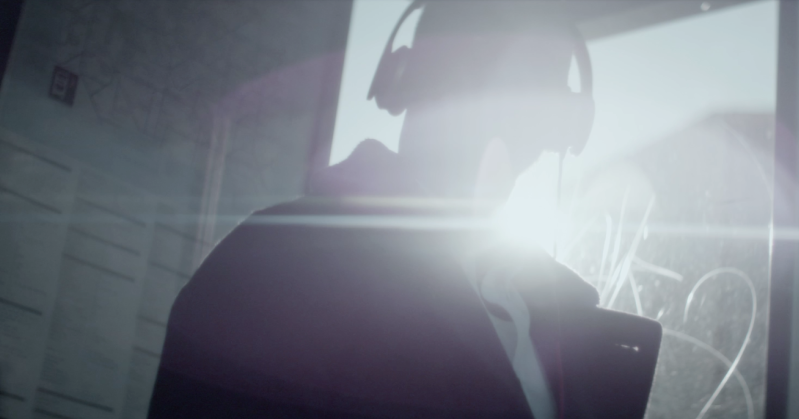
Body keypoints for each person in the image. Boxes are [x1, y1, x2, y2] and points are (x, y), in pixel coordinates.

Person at [148, 2, 661, 419]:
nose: (500, 128)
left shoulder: (558, 310)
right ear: (414, 82)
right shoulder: (275, 262)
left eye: (531, 100)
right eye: (483, 79)